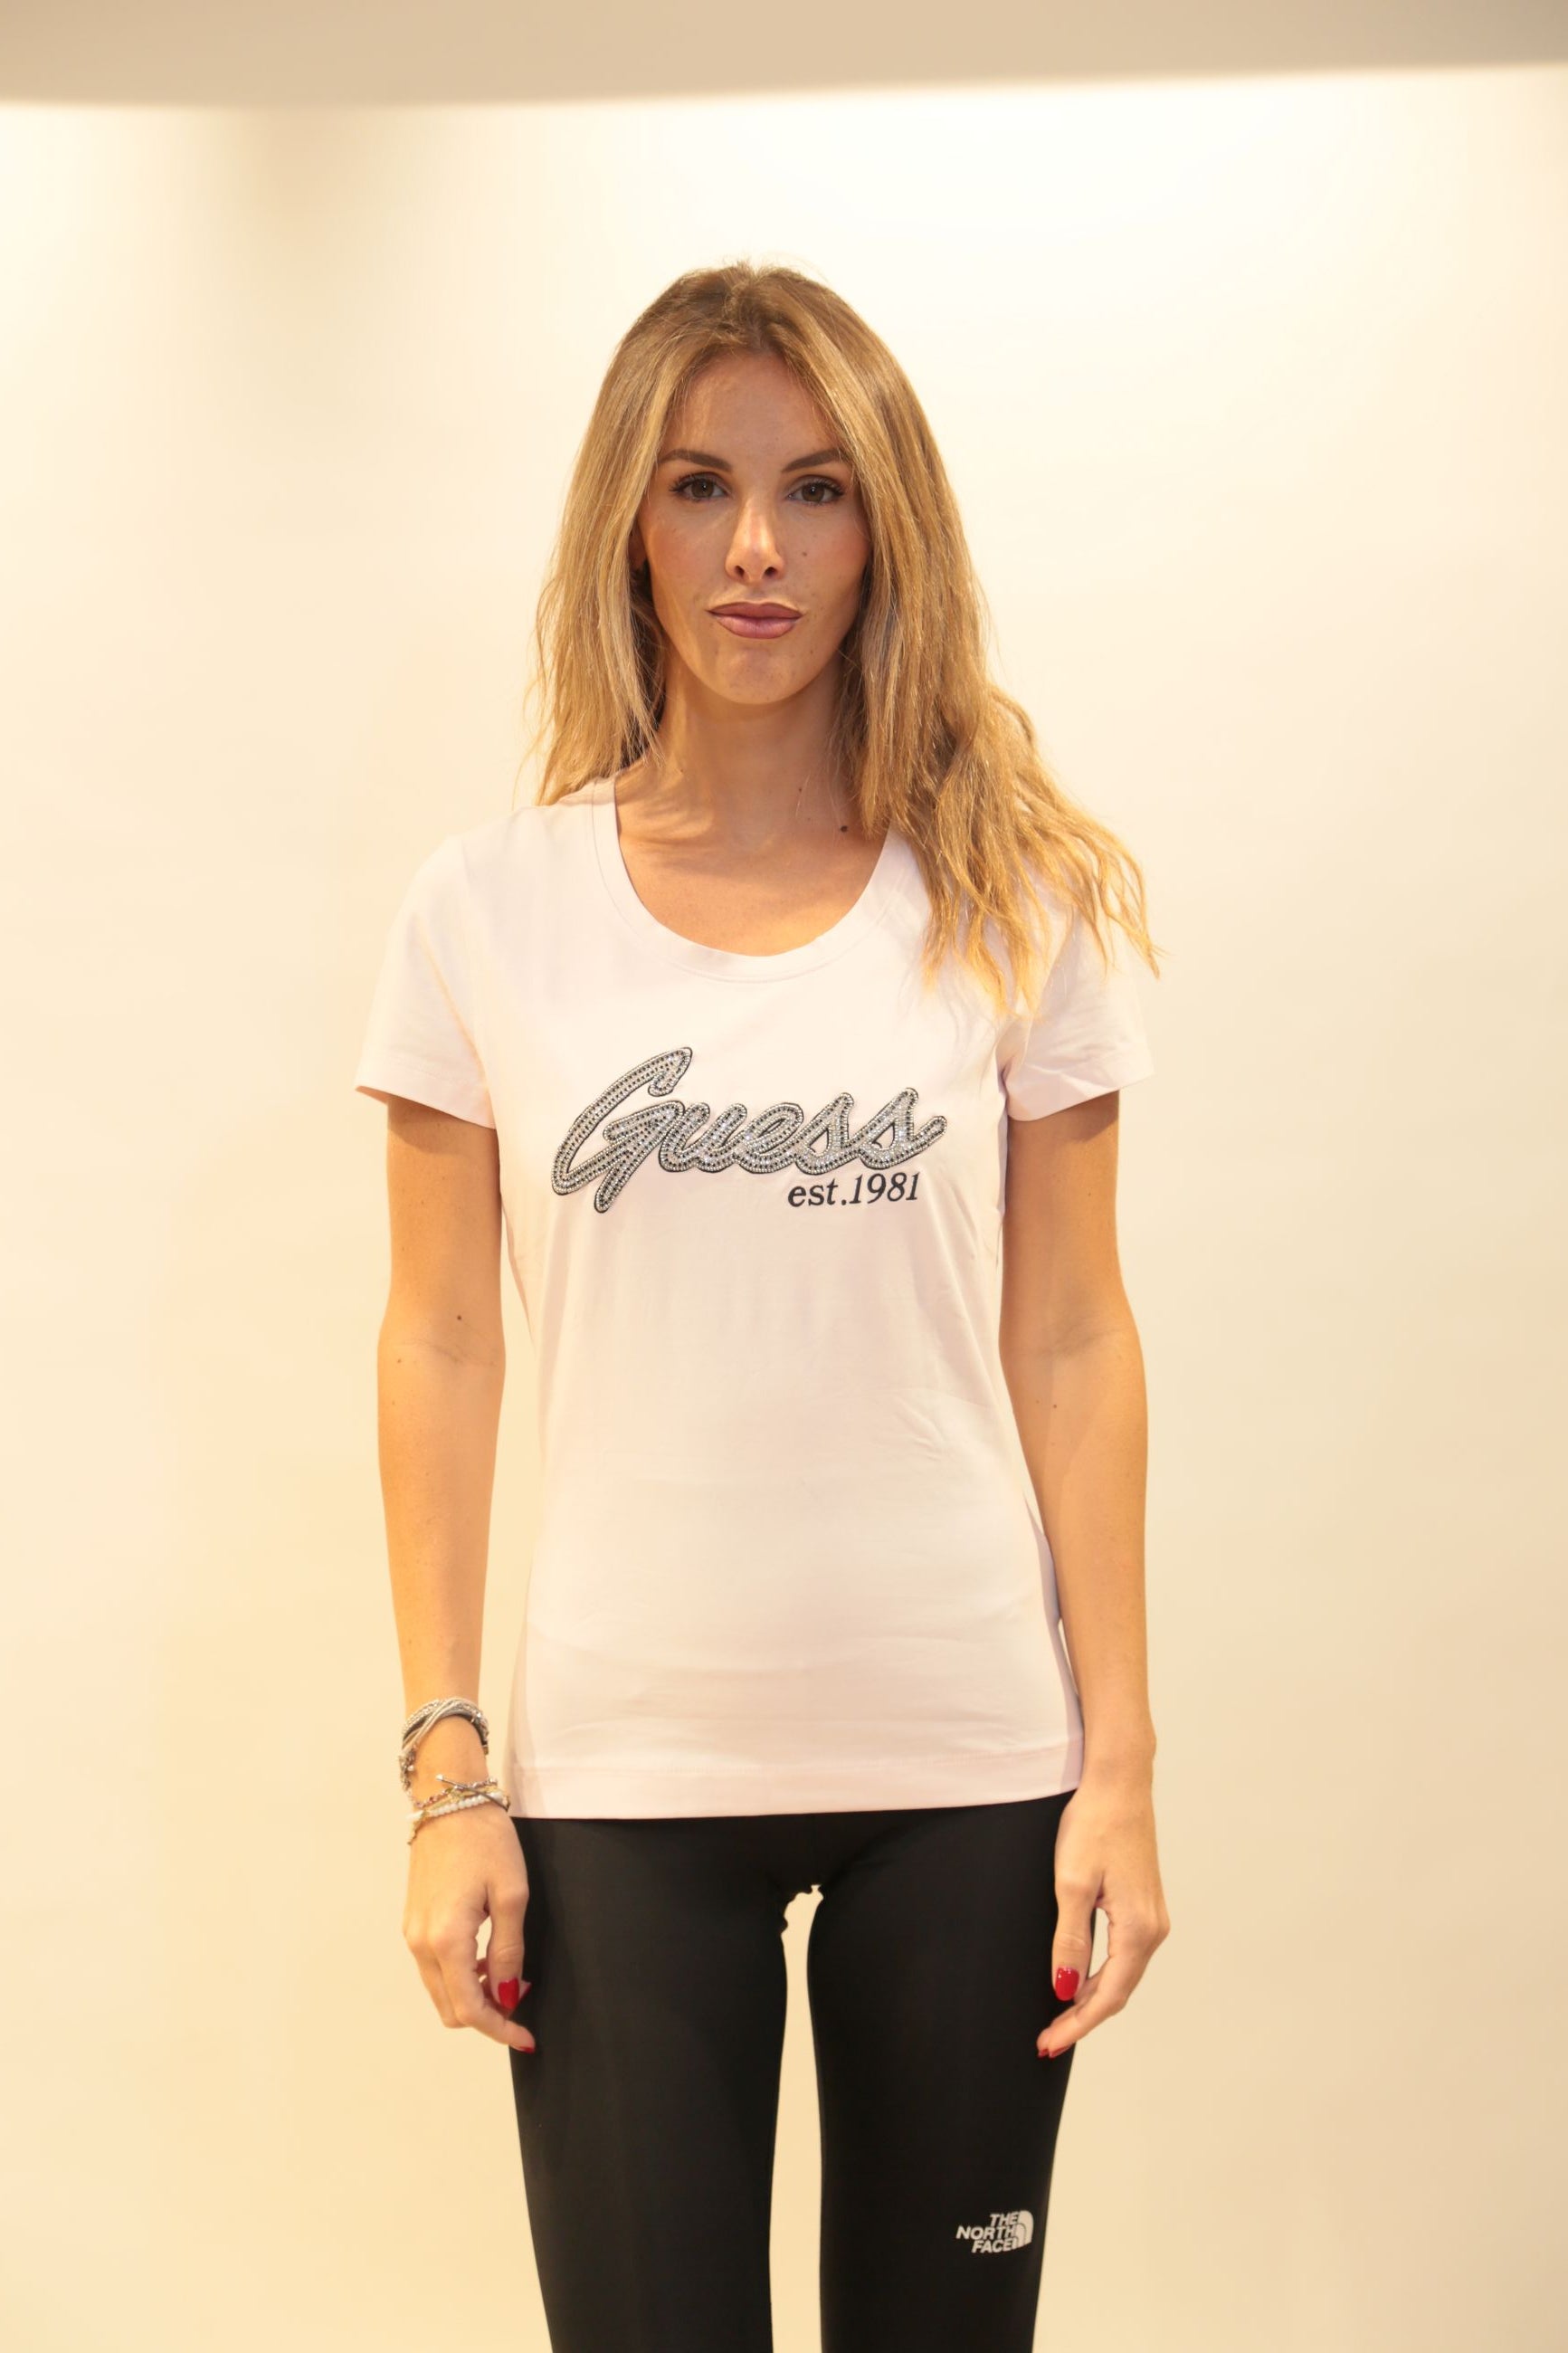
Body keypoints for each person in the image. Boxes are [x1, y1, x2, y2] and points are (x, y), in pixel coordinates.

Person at [354, 260, 1171, 2353]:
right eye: (701, 485)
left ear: (885, 530)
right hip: (619, 1776)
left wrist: (1124, 1764)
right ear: (628, 522)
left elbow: (1075, 1336)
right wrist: (450, 1768)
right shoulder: (485, 912)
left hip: (971, 1763)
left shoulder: (1008, 899)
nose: (755, 549)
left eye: (816, 490)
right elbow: (441, 1339)